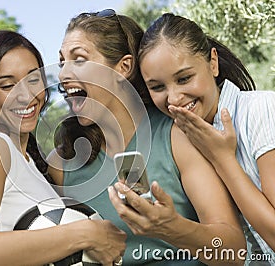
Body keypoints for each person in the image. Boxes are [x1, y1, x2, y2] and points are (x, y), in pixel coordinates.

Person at [51, 9, 246, 265]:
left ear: (123, 67)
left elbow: (234, 251)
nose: (63, 75)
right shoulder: (62, 164)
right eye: (62, 62)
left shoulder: (177, 137)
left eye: (79, 60)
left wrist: (172, 228)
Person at [0, 30, 126, 266]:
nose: (27, 95)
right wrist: (86, 233)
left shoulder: (28, 160)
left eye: (33, 80)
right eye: (8, 85)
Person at [138, 12, 275, 264]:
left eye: (184, 78)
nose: (174, 99)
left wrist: (223, 159)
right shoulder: (182, 138)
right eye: (158, 87)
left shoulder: (261, 111)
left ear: (213, 63)